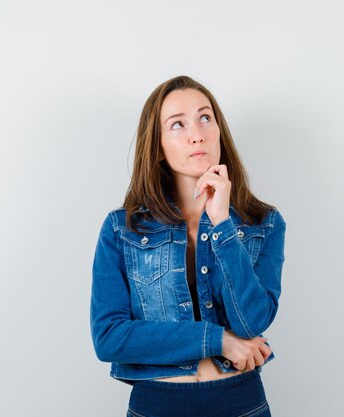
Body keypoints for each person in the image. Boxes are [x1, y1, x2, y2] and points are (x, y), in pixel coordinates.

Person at [90, 75, 286, 417]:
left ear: (219, 130)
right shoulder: (122, 230)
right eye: (177, 124)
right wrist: (218, 340)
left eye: (205, 117)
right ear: (159, 146)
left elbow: (251, 322)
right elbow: (110, 336)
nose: (197, 133)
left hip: (240, 402)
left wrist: (223, 224)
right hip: (157, 405)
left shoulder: (263, 223)